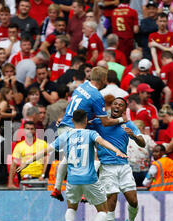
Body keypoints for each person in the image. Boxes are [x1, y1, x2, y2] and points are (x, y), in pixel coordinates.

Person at [18, 109, 127, 221]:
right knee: (103, 210)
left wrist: (28, 161)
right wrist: (116, 151)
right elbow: (103, 142)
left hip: (72, 179)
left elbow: (46, 151)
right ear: (86, 119)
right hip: (90, 179)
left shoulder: (66, 135)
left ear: (72, 121)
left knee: (71, 208)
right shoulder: (91, 133)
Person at [51, 67, 123, 201]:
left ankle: (57, 188)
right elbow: (105, 122)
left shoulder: (81, 86)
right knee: (93, 158)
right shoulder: (97, 96)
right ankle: (85, 192)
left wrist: (65, 116)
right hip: (75, 129)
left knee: (67, 159)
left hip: (64, 126)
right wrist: (121, 120)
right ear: (103, 79)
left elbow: (74, 104)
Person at [90, 97, 146, 221]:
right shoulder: (100, 122)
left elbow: (143, 143)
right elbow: (83, 123)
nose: (117, 106)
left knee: (133, 201)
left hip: (124, 167)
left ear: (124, 110)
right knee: (111, 203)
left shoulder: (128, 124)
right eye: (115, 103)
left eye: (121, 105)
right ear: (111, 107)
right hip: (107, 167)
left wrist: (133, 136)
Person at [8, 121, 47, 188]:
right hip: (24, 179)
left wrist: (43, 175)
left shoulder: (42, 144)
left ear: (35, 130)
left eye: (32, 129)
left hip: (38, 179)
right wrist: (10, 183)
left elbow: (46, 161)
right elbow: (13, 165)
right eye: (27, 129)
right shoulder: (19, 146)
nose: (29, 131)